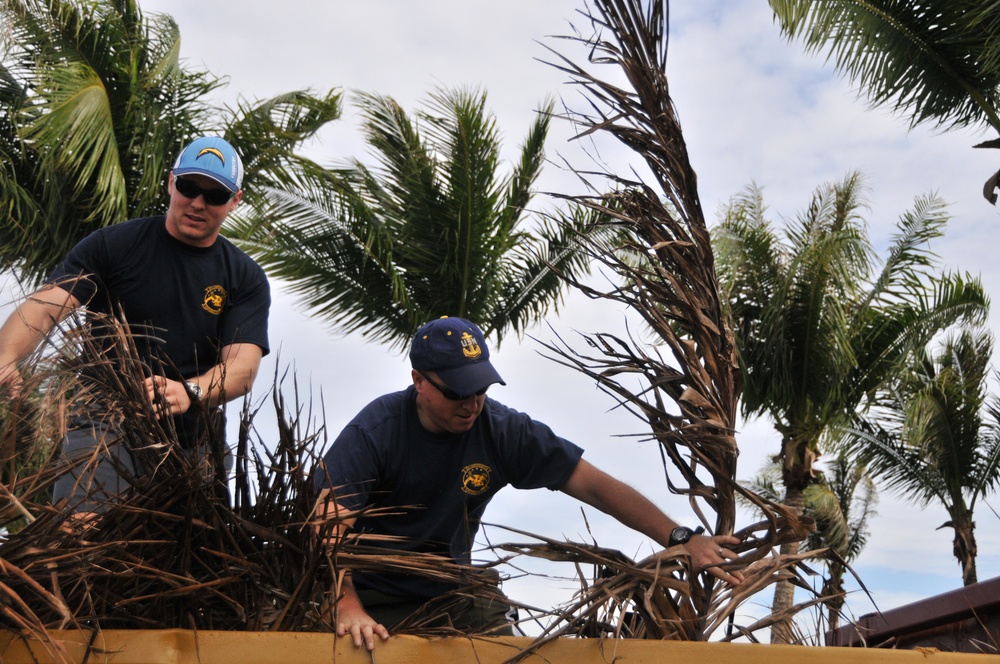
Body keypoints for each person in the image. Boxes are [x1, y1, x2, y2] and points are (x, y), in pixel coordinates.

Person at [312, 316, 743, 651]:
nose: (472, 404)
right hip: (366, 591)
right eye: (457, 393)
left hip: (450, 593)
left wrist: (681, 536)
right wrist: (345, 604)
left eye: (479, 389)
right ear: (419, 381)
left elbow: (592, 484)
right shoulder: (378, 430)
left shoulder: (502, 430)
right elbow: (328, 527)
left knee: (510, 646)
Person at [0, 136, 270, 514]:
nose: (197, 203)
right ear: (171, 182)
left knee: (198, 565)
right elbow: (48, 305)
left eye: (214, 195)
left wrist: (188, 391)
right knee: (81, 537)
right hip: (103, 421)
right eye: (189, 187)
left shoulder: (245, 277)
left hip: (192, 442)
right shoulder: (114, 245)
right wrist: (7, 356)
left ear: (234, 202)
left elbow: (242, 368)